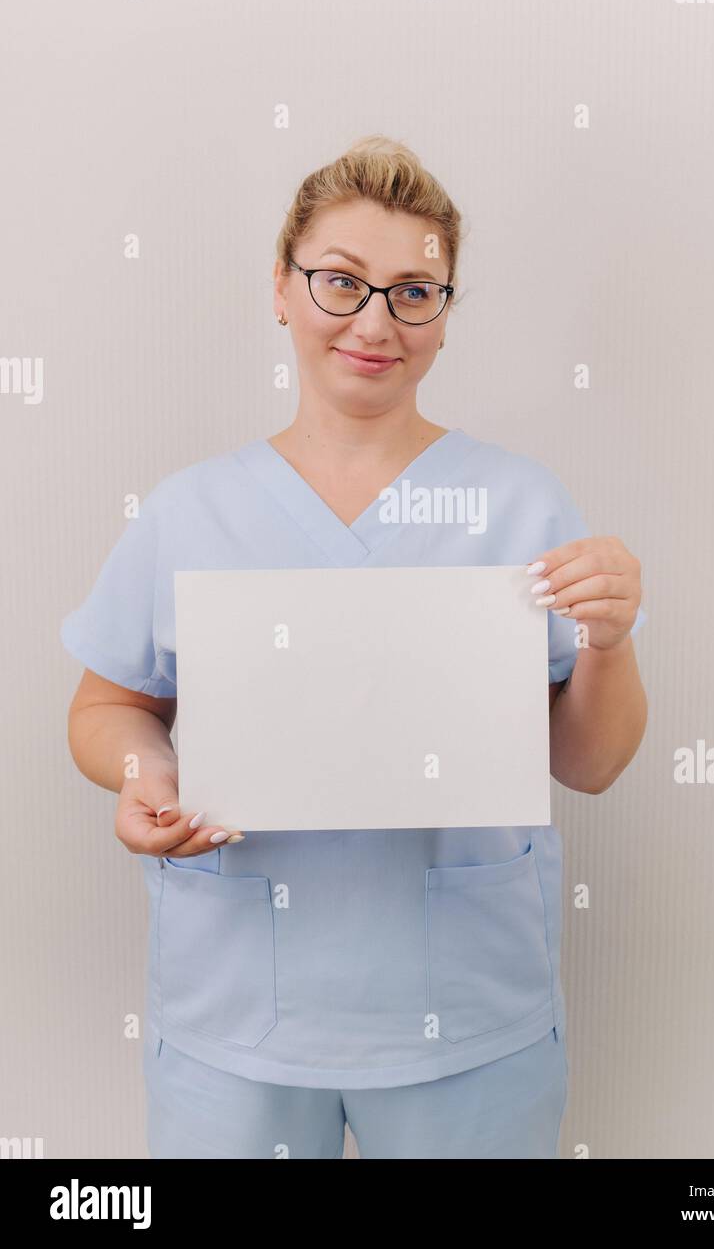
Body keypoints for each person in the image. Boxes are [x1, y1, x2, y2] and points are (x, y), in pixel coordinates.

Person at [61, 135, 648, 1159]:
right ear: (281, 291)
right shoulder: (187, 512)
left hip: (466, 1025)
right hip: (233, 1021)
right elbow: (106, 706)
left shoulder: (518, 503)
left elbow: (587, 762)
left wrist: (607, 638)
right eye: (341, 282)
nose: (374, 320)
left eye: (413, 291)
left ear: (444, 315)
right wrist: (141, 772)